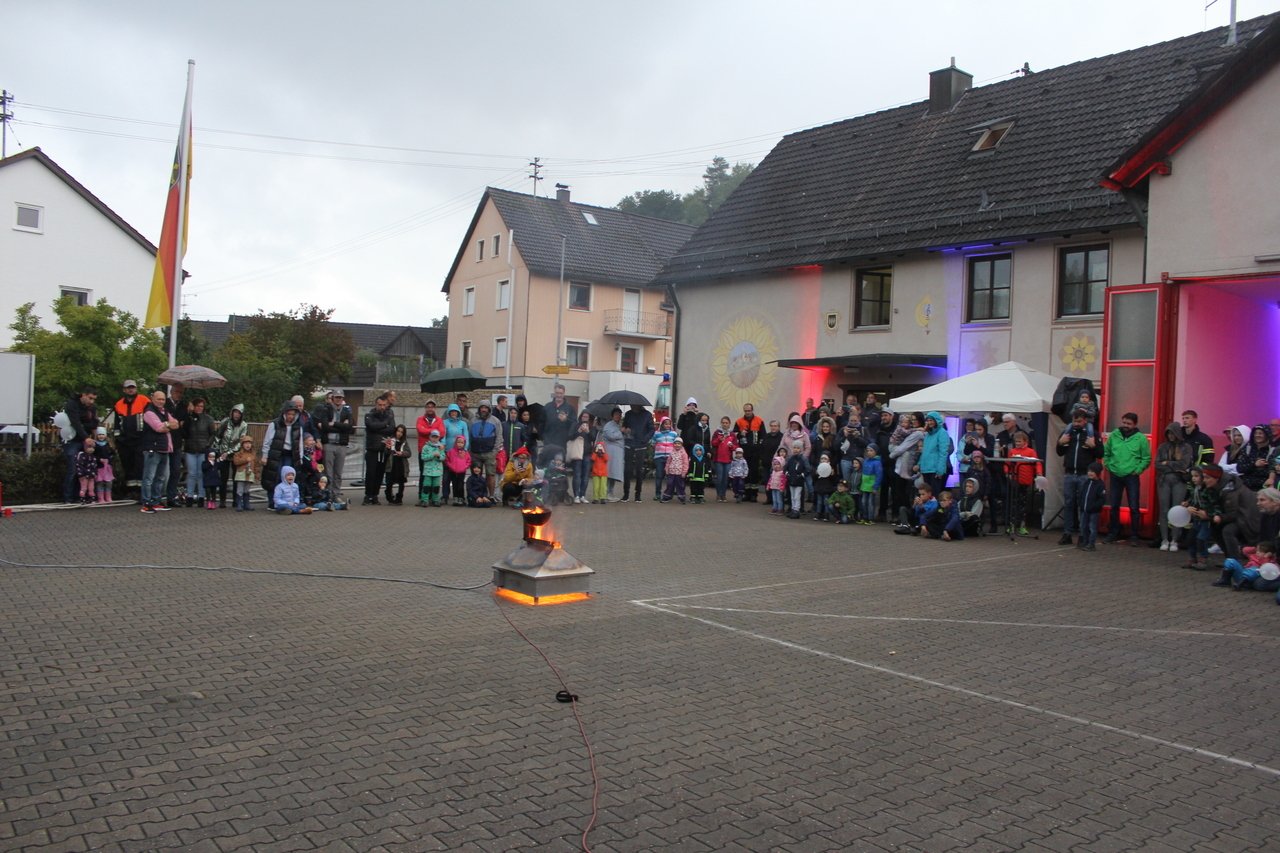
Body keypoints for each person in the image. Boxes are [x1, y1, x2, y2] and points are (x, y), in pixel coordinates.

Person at [1102, 412, 1151, 543]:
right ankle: (1113, 532)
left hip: (1131, 476)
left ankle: (1134, 535)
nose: (1125, 425)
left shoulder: (1141, 438)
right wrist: (1108, 465)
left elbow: (1146, 458)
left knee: (1134, 506)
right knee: (1114, 505)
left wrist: (1138, 470)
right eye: (1124, 422)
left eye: (1129, 424)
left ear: (1135, 424)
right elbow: (1106, 452)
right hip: (1115, 474)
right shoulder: (1114, 435)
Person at [1056, 411, 1100, 545]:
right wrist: (1060, 443)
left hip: (1084, 474)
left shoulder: (1092, 434)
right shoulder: (1068, 433)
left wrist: (1093, 446)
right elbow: (1059, 452)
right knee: (1068, 504)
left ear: (1085, 421)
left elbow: (1100, 453)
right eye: (1074, 421)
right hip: (1069, 473)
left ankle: (1083, 534)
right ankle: (1067, 533)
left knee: (1083, 505)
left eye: (1079, 421)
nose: (1076, 424)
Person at [1153, 422, 1195, 551]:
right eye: (1168, 433)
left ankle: (1175, 540)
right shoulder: (1162, 447)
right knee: (1164, 510)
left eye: (1172, 433)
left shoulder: (1186, 447)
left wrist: (1167, 463)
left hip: (1179, 481)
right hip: (1163, 481)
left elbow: (1184, 464)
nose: (1170, 436)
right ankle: (1164, 539)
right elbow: (1157, 464)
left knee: (1177, 510)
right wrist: (1173, 466)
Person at [140, 390, 179, 514]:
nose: (161, 401)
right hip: (153, 448)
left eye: (163, 399)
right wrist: (167, 424)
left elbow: (176, 424)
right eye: (159, 399)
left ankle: (156, 501)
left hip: (164, 448)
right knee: (149, 477)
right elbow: (158, 428)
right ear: (152, 399)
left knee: (160, 478)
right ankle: (146, 503)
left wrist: (166, 424)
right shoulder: (149, 412)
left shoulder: (165, 412)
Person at [262, 403, 304, 510]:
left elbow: (300, 443)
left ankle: (287, 502)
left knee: (288, 477)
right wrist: (265, 455)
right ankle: (272, 502)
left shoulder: (298, 426)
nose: (291, 416)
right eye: (289, 414)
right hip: (276, 454)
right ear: (284, 414)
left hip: (290, 454)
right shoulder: (275, 424)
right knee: (274, 477)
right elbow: (267, 441)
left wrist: (300, 457)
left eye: (293, 414)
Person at [61, 386, 99, 504]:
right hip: (72, 439)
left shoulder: (92, 408)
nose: (91, 401)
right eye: (90, 398)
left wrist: (93, 437)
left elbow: (94, 423)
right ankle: (68, 497)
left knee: (85, 470)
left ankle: (80, 495)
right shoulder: (72, 404)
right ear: (83, 395)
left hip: (85, 439)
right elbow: (75, 423)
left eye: (94, 399)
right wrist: (86, 436)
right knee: (73, 468)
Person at [110, 380, 147, 495]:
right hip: (125, 441)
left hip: (140, 439)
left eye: (133, 387)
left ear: (136, 389)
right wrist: (118, 439)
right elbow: (117, 424)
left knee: (140, 465)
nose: (131, 390)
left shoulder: (144, 401)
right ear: (124, 390)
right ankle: (131, 490)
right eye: (128, 388)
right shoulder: (119, 404)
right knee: (127, 465)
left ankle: (141, 491)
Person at [1183, 465, 1223, 570]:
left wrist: (1214, 515)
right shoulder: (1195, 489)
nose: (1193, 478)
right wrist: (1187, 504)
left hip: (1206, 520)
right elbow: (1193, 500)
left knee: (1201, 538)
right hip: (1197, 519)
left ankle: (1203, 559)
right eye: (1192, 476)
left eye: (1196, 476)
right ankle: (1192, 558)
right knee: (1191, 538)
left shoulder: (1209, 490)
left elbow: (1216, 505)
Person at [313, 391, 355, 494]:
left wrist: (335, 424)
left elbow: (350, 427)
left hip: (342, 444)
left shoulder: (347, 411)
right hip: (329, 444)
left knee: (338, 472)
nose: (338, 399)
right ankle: (328, 493)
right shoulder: (326, 409)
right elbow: (325, 426)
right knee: (328, 472)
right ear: (333, 398)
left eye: (340, 397)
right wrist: (342, 426)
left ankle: (336, 493)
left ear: (343, 398)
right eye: (336, 397)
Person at [362, 393, 397, 506]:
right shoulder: (369, 415)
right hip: (372, 449)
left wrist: (380, 428)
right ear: (376, 404)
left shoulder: (389, 415)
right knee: (370, 473)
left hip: (383, 449)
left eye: (384, 405)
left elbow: (392, 429)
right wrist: (385, 425)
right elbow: (371, 426)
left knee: (379, 474)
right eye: (380, 405)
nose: (382, 407)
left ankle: (375, 495)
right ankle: (368, 495)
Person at [213, 404, 249, 508]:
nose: (236, 415)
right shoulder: (225, 422)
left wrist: (229, 452)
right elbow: (218, 436)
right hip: (222, 453)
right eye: (235, 412)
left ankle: (236, 500)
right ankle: (222, 500)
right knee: (223, 478)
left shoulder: (244, 425)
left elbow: (241, 442)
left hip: (235, 454)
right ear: (232, 412)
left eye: (239, 413)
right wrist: (218, 451)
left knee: (236, 478)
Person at [1008, 431, 1043, 536]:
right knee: (1013, 503)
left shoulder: (1031, 452)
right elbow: (1007, 463)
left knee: (1023, 504)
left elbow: (1037, 463)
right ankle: (1012, 525)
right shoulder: (1012, 451)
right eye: (1016, 441)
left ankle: (1022, 526)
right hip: (1015, 480)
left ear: (1025, 441)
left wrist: (1039, 473)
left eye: (1019, 441)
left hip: (1026, 480)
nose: (1017, 443)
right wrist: (1007, 472)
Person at [182, 398, 216, 507]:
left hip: (203, 450)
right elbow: (184, 433)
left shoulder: (208, 419)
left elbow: (213, 434)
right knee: (191, 474)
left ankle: (201, 496)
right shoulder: (188, 418)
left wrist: (207, 445)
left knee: (201, 474)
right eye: (197, 406)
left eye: (201, 406)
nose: (199, 408)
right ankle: (190, 496)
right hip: (190, 449)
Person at [467, 403, 503, 495]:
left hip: (490, 453)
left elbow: (499, 437)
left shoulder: (495, 421)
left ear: (489, 409)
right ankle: (477, 496)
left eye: (486, 408)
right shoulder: (472, 421)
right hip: (475, 453)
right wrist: (469, 451)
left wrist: (495, 451)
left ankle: (491, 495)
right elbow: (469, 436)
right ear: (479, 409)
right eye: (482, 407)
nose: (483, 410)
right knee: (476, 475)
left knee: (490, 475)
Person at [622, 404, 655, 502]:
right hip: (629, 443)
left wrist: (645, 440)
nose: (631, 406)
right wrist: (625, 430)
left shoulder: (647, 415)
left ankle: (638, 495)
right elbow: (624, 426)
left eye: (633, 405)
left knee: (639, 470)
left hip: (641, 445)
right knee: (627, 470)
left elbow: (651, 430)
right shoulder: (628, 414)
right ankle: (626, 494)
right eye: (631, 405)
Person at [163, 383, 189, 508]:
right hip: (164, 441)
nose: (179, 395)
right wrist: (175, 423)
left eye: (181, 393)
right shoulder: (165, 404)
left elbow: (183, 423)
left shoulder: (183, 406)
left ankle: (171, 497)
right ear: (171, 392)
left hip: (177, 442)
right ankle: (157, 496)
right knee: (161, 471)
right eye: (177, 392)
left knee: (175, 470)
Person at [735, 403, 765, 502]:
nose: (747, 412)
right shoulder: (739, 421)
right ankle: (746, 493)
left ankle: (754, 494)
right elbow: (734, 434)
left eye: (749, 410)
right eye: (746, 411)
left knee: (754, 472)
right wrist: (740, 434)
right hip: (744, 452)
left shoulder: (759, 420)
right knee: (745, 473)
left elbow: (763, 436)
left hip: (755, 452)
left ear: (752, 410)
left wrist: (760, 448)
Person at [917, 411, 950, 498]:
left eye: (931, 420)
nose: (929, 422)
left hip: (935, 470)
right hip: (925, 469)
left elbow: (943, 452)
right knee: (926, 496)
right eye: (928, 420)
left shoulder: (942, 433)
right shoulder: (928, 434)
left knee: (934, 496)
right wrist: (919, 464)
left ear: (936, 420)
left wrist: (940, 470)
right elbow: (925, 451)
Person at [541, 383, 576, 461]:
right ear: (554, 393)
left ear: (564, 394)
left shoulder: (570, 408)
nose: (559, 395)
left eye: (561, 393)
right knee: (547, 464)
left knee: (559, 465)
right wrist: (543, 437)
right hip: (548, 442)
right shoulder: (547, 406)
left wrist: (566, 420)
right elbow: (542, 422)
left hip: (562, 443)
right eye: (557, 393)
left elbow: (574, 423)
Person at [1078, 462, 1107, 551]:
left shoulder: (1100, 485)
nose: (1090, 473)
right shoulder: (1086, 482)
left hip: (1094, 511)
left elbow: (1102, 499)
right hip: (1084, 510)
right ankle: (1085, 542)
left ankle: (1091, 544)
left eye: (1092, 471)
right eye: (1089, 471)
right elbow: (1082, 494)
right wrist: (1081, 504)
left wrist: (1094, 507)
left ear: (1097, 472)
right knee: (1083, 526)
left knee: (1092, 528)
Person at [567, 412, 594, 504]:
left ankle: (583, 495)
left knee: (585, 476)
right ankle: (576, 496)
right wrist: (578, 431)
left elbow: (593, 438)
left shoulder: (591, 427)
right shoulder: (575, 425)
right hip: (577, 453)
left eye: (587, 417)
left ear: (589, 418)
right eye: (583, 416)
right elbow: (570, 437)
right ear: (580, 417)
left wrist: (588, 432)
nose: (585, 418)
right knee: (577, 475)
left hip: (587, 454)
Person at [649, 416, 678, 502]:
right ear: (662, 424)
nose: (667, 425)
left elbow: (678, 444)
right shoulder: (657, 433)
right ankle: (657, 494)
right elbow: (652, 442)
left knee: (670, 476)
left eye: (669, 424)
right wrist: (657, 446)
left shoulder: (674, 434)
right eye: (666, 424)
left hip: (670, 457)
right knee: (659, 475)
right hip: (659, 457)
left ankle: (668, 493)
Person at [600, 407, 626, 500]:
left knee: (614, 473)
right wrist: (621, 432)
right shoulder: (609, 425)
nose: (618, 416)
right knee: (609, 472)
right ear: (612, 416)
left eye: (619, 415)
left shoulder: (618, 425)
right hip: (611, 452)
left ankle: (610, 492)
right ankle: (606, 493)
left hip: (618, 452)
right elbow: (611, 436)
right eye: (616, 414)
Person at [230, 435, 261, 512]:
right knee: (240, 489)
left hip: (250, 474)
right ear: (242, 444)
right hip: (241, 474)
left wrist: (257, 474)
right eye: (246, 443)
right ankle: (239, 504)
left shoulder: (254, 455)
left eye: (249, 443)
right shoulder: (238, 454)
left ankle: (246, 504)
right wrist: (245, 460)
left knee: (247, 489)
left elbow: (257, 465)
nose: (248, 445)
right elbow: (236, 462)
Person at [784, 441, 812, 519]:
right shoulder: (790, 458)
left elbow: (808, 469)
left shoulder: (803, 458)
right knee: (792, 496)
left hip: (799, 481)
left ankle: (797, 510)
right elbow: (785, 467)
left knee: (797, 496)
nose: (796, 449)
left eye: (798, 448)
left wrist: (802, 475)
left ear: (801, 449)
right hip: (791, 480)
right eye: (794, 448)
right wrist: (787, 473)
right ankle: (793, 509)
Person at [384, 424, 411, 504]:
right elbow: (386, 453)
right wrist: (388, 448)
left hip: (401, 464)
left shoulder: (404, 442)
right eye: (398, 431)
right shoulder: (391, 440)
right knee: (389, 482)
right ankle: (389, 497)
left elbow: (409, 453)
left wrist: (402, 453)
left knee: (401, 482)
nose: (399, 433)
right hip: (392, 464)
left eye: (401, 432)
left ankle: (399, 498)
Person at [418, 430, 445, 507]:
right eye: (433, 437)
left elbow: (443, 457)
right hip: (428, 471)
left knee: (436, 487)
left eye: (436, 437)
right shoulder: (426, 447)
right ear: (430, 437)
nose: (434, 439)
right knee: (426, 486)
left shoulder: (441, 447)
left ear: (438, 438)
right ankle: (424, 500)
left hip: (437, 471)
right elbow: (423, 457)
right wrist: (432, 455)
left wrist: (439, 456)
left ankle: (435, 500)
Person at [444, 435, 471, 506]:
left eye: (462, 443)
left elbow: (469, 461)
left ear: (464, 444)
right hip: (453, 471)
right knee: (454, 485)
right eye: (458, 442)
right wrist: (451, 466)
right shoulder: (451, 451)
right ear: (455, 443)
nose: (460, 444)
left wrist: (465, 467)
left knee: (460, 485)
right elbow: (447, 460)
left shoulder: (465, 453)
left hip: (462, 472)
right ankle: (455, 498)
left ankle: (461, 498)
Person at [860, 445, 883, 525]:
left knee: (871, 503)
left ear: (876, 452)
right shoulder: (866, 461)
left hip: (872, 486)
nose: (869, 452)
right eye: (868, 450)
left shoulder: (877, 462)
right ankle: (865, 517)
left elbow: (879, 475)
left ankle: (871, 518)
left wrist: (875, 487)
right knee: (863, 502)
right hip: (864, 486)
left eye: (871, 450)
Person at [662, 436, 690, 504]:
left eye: (679, 443)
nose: (677, 445)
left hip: (679, 473)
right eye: (675, 443)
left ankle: (682, 497)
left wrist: (684, 472)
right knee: (669, 484)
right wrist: (667, 469)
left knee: (680, 485)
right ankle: (667, 497)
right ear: (673, 444)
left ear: (681, 444)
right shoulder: (672, 452)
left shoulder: (684, 453)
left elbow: (686, 463)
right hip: (671, 472)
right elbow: (668, 462)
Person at [92, 427, 115, 503]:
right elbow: (93, 455)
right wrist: (99, 459)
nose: (101, 436)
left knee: (109, 482)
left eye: (102, 434)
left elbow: (112, 454)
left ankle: (108, 497)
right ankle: (100, 498)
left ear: (105, 435)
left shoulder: (108, 444)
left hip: (107, 467)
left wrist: (109, 459)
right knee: (100, 482)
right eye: (99, 434)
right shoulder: (95, 444)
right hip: (99, 467)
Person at [74, 435, 99, 504]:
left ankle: (92, 498)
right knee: (84, 487)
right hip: (83, 475)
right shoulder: (81, 456)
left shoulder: (93, 457)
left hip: (91, 475)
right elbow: (79, 465)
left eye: (93, 448)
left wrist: (95, 473)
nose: (91, 449)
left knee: (91, 487)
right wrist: (81, 474)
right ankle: (82, 498)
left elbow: (94, 466)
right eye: (89, 447)